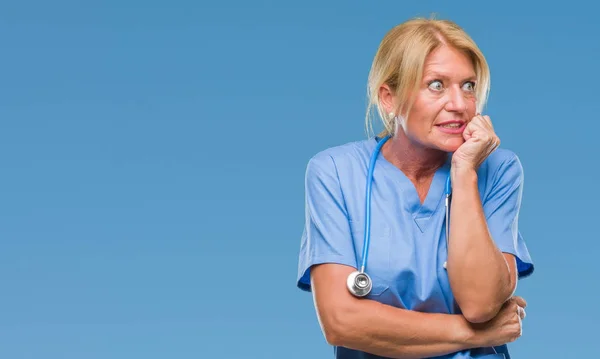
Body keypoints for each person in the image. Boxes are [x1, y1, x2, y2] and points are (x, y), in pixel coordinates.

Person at [296, 17, 534, 359]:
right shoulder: (334, 172)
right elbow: (341, 322)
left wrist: (465, 171)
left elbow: (481, 302)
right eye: (437, 85)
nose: (459, 104)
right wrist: (476, 335)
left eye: (468, 86)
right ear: (389, 99)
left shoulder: (498, 168)